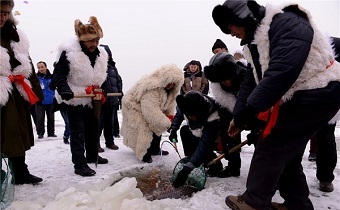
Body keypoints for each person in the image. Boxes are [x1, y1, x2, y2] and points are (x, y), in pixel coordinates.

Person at [212, 1, 340, 210]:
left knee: (271, 143)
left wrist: (250, 112)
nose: (230, 33)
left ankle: (254, 201)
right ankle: (297, 204)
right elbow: (251, 81)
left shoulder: (286, 23)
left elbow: (282, 72)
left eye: (230, 26)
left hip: (319, 90)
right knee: (287, 156)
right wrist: (239, 114)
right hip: (303, 95)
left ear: (243, 17)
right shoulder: (255, 43)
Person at [50, 16, 109, 177]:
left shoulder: (102, 53)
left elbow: (104, 74)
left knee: (92, 129)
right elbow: (58, 74)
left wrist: (106, 88)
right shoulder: (69, 53)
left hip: (92, 99)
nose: (94, 44)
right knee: (78, 132)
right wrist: (64, 89)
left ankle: (92, 155)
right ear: (81, 40)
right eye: (90, 41)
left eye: (96, 40)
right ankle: (79, 164)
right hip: (74, 98)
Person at [0, 0, 44, 184]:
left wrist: (35, 90)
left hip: (16, 94)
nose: (2, 17)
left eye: (5, 13)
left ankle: (20, 172)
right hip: (2, 93)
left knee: (17, 134)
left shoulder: (16, 36)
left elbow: (28, 63)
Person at [204, 52, 262, 178]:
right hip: (232, 112)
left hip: (256, 111)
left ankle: (267, 172)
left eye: (226, 79)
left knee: (262, 141)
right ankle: (233, 167)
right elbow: (224, 115)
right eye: (221, 81)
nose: (224, 83)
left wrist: (256, 129)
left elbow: (259, 103)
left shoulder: (249, 77)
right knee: (228, 136)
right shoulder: (219, 90)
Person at [121, 64, 184, 163]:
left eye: (174, 82)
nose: (170, 84)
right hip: (132, 105)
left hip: (147, 107)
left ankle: (155, 149)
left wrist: (169, 118)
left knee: (158, 125)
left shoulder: (172, 92)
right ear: (164, 79)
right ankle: (142, 152)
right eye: (169, 81)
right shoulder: (152, 88)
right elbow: (151, 111)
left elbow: (169, 107)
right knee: (144, 126)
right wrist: (167, 124)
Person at [171, 90, 234, 187]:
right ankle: (194, 161)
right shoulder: (186, 104)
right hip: (198, 131)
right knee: (184, 131)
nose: (191, 118)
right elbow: (179, 114)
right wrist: (174, 129)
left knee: (201, 147)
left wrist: (186, 170)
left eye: (193, 116)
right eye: (189, 115)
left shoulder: (212, 116)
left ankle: (214, 165)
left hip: (218, 137)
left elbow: (204, 143)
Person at [98, 44, 123, 151]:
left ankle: (110, 142)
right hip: (100, 101)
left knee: (110, 123)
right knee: (99, 124)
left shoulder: (113, 67)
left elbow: (118, 81)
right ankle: (96, 144)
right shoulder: (97, 66)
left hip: (112, 100)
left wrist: (120, 93)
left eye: (107, 54)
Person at [36, 61, 56, 139]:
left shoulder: (52, 77)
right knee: (40, 119)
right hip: (40, 102)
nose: (40, 69)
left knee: (51, 118)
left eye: (42, 67)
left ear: (46, 67)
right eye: (39, 67)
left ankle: (51, 133)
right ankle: (40, 133)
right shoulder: (36, 78)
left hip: (51, 101)